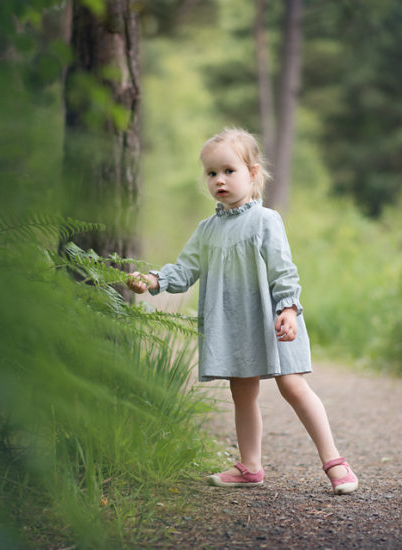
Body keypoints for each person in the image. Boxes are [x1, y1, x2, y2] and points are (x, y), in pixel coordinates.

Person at [127, 128, 358, 495]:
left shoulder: (266, 220)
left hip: (274, 319)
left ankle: (334, 462)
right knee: (242, 391)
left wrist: (288, 309)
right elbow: (185, 270)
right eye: (211, 173)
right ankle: (250, 466)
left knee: (293, 385)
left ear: (252, 174)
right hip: (235, 323)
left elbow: (283, 270)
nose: (219, 180)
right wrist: (154, 279)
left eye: (228, 171)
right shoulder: (206, 230)